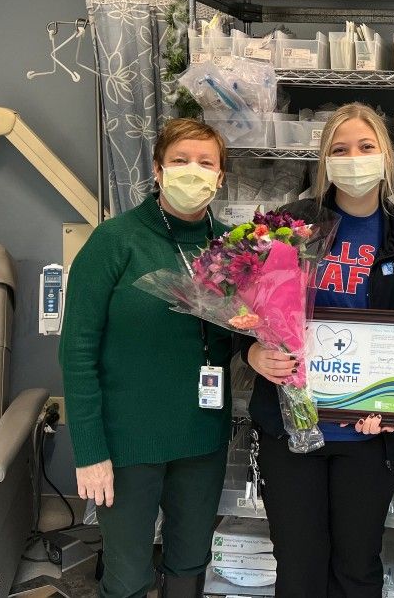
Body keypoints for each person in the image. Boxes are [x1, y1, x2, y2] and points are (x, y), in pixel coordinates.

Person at [243, 103, 394, 598]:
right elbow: (242, 313)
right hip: (292, 428)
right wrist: (251, 354)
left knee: (357, 567)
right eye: (340, 149)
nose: (354, 159)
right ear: (324, 161)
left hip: (366, 437)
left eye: (366, 147)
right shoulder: (288, 225)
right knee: (299, 566)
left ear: (386, 157)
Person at [60, 118, 232, 598]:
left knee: (189, 562)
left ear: (221, 177)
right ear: (157, 170)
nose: (192, 172)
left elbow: (239, 336)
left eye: (206, 163)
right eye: (180, 161)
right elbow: (77, 352)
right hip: (127, 444)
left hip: (202, 436)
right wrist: (90, 449)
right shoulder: (115, 241)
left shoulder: (233, 249)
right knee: (128, 574)